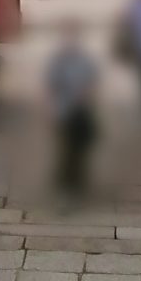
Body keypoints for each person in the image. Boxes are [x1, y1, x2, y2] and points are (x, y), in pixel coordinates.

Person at [46, 18, 100, 199]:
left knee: (78, 149)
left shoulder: (84, 60)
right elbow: (52, 86)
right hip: (64, 111)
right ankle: (68, 184)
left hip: (80, 111)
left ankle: (70, 181)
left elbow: (93, 83)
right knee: (69, 149)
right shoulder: (59, 61)